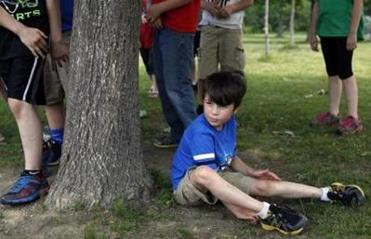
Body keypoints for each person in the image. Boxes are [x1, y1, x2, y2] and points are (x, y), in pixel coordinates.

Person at [171, 71, 366, 235]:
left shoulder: (229, 123)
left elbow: (230, 156)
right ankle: (268, 212)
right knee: (204, 172)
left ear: (235, 109)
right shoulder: (201, 131)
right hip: (188, 187)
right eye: (209, 103)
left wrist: (250, 172)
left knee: (265, 185)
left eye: (222, 106)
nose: (214, 112)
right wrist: (235, 207)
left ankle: (326, 193)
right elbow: (209, 178)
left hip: (217, 177)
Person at [0, 0, 68, 205]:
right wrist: (20, 30)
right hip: (11, 33)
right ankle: (41, 149)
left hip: (34, 36)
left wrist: (56, 39)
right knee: (14, 98)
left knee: (18, 102)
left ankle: (34, 175)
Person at [146, 0, 200, 148]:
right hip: (159, 24)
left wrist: (159, 8)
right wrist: (151, 10)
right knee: (163, 84)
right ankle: (178, 133)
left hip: (179, 26)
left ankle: (198, 141)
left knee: (177, 86)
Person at [309, 0, 364, 135]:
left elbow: (358, 3)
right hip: (325, 30)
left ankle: (354, 119)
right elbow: (317, 5)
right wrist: (312, 30)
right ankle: (333, 114)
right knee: (332, 73)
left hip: (343, 31)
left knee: (345, 73)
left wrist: (352, 32)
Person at [196, 0, 253, 112]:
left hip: (232, 29)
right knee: (205, 72)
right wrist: (206, 6)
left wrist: (231, 8)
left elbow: (249, 1)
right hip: (208, 27)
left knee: (233, 73)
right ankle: (204, 108)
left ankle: (231, 109)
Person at [42, 0, 73, 167]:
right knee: (50, 94)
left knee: (74, 91)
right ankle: (58, 141)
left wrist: (57, 40)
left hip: (67, 31)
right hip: (40, 35)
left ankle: (76, 139)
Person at [140, 0, 158, 98]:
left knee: (153, 62)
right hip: (142, 35)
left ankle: (155, 87)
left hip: (153, 35)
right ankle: (153, 84)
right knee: (146, 62)